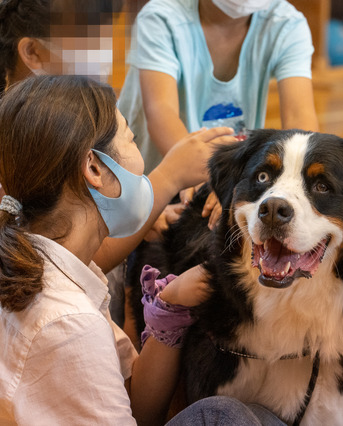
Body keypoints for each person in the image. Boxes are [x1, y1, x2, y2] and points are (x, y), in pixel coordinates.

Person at [0, 75, 285, 426]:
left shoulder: (57, 267)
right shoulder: (69, 321)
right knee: (225, 416)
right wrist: (169, 177)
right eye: (131, 138)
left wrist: (172, 307)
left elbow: (135, 403)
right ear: (94, 168)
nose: (140, 160)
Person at [0, 0, 239, 328]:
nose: (103, 54)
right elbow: (75, 255)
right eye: (85, 40)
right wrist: (168, 177)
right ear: (33, 52)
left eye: (105, 37)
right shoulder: (24, 136)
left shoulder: (61, 120)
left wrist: (139, 218)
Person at [117, 0, 319, 177]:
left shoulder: (287, 24)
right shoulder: (161, 18)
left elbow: (299, 117)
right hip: (148, 177)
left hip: (224, 177)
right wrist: (215, 180)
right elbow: (161, 112)